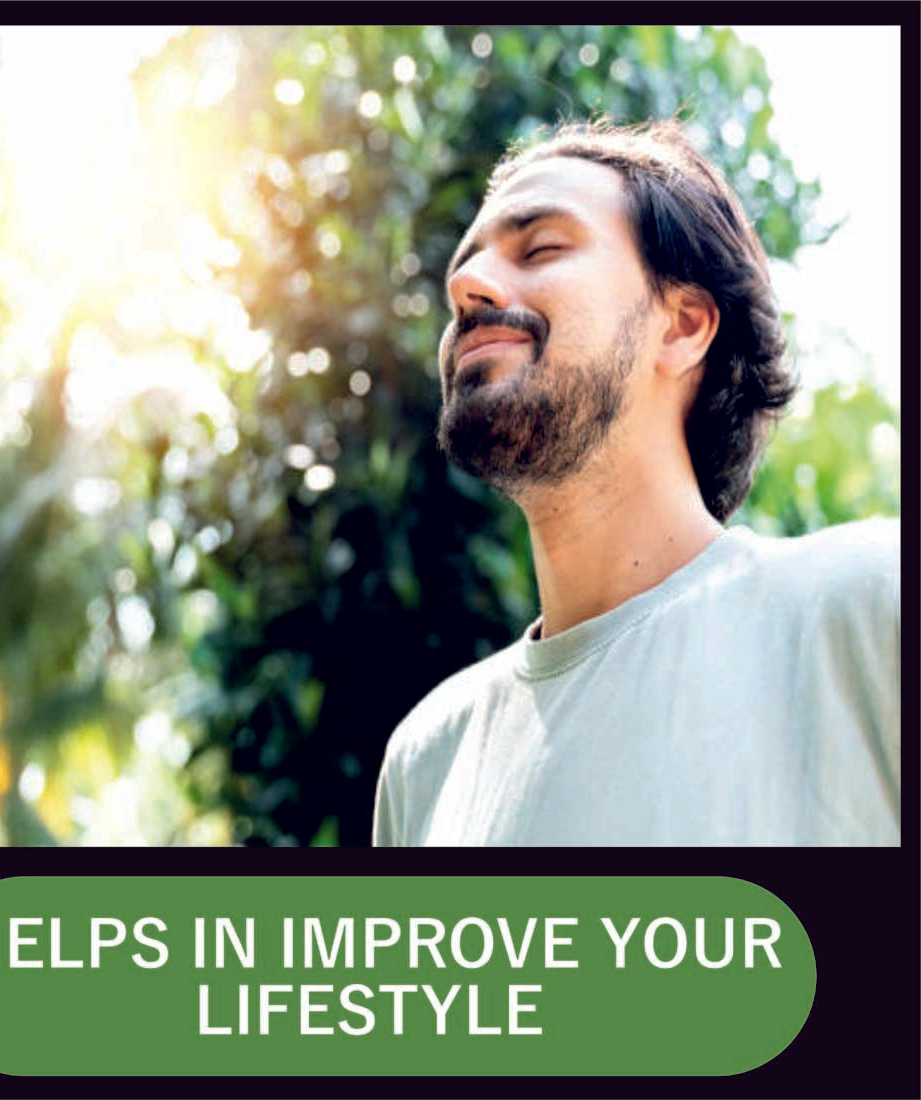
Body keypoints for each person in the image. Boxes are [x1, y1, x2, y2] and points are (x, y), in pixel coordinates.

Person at [372, 119, 899, 847]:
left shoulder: (871, 605)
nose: (465, 285)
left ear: (683, 326)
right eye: (466, 269)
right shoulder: (426, 759)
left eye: (543, 247)